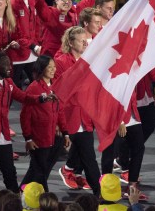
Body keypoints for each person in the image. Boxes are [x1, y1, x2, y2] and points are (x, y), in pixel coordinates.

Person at [0, 51, 56, 199]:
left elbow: (23, 97)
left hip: (3, 137)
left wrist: (42, 97)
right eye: (6, 64)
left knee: (9, 171)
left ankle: (14, 202)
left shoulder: (8, 83)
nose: (10, 66)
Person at [56, 26, 100, 195]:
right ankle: (26, 188)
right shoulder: (61, 62)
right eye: (81, 41)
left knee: (89, 158)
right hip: (67, 117)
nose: (85, 44)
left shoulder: (89, 62)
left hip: (85, 116)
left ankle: (98, 192)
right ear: (70, 42)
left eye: (86, 41)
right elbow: (61, 90)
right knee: (47, 158)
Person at [35, 0, 115, 57]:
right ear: (56, 1)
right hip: (50, 58)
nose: (67, 2)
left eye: (69, 0)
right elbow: (39, 4)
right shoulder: (49, 13)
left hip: (68, 57)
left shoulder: (74, 11)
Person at [20, 55, 70, 191]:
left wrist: (65, 133)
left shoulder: (54, 86)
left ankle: (21, 192)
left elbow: (59, 111)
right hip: (39, 139)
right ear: (41, 69)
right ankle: (45, 199)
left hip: (54, 138)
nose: (53, 70)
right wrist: (28, 138)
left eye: (54, 67)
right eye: (49, 67)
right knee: (41, 172)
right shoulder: (33, 88)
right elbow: (25, 115)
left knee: (39, 171)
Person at [9, 0, 41, 89]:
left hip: (33, 52)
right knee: (15, 87)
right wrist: (33, 46)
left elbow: (37, 25)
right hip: (19, 52)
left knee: (37, 83)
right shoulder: (13, 3)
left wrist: (37, 44)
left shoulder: (33, 1)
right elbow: (15, 31)